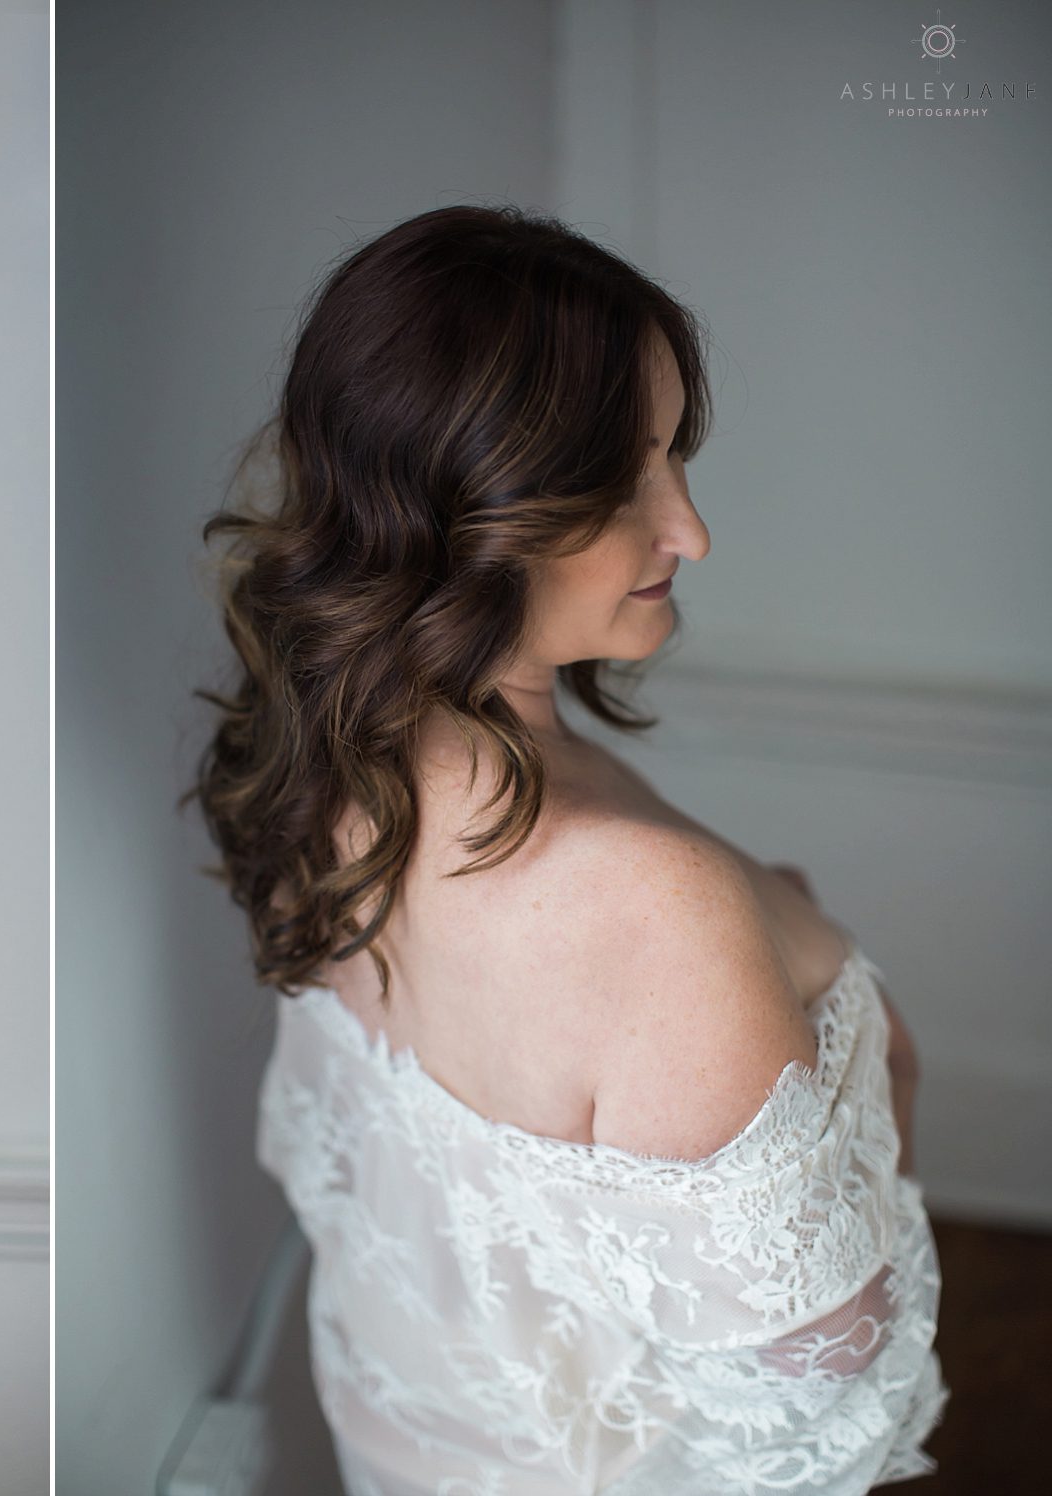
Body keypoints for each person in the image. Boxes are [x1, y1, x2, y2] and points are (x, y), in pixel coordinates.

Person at [190, 206, 947, 1493]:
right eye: (620, 480)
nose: (689, 529)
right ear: (462, 505)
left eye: (674, 458)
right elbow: (816, 1412)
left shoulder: (331, 763)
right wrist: (764, 953)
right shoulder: (658, 913)